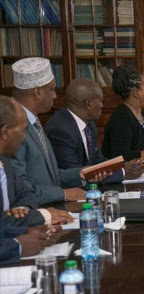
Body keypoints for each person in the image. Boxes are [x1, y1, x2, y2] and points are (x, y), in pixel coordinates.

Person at [9, 58, 106, 206]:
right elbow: (18, 186)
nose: (55, 96)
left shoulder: (34, 121)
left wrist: (81, 174)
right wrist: (63, 193)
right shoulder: (13, 126)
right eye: (52, 89)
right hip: (33, 214)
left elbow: (49, 177)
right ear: (38, 92)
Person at [0, 95, 74, 264]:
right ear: (5, 132)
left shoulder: (4, 162)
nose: (25, 137)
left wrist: (22, 213)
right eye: (23, 129)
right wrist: (18, 245)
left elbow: (26, 195)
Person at [45, 79, 144, 183]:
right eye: (100, 101)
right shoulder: (60, 130)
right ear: (88, 104)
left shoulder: (89, 124)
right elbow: (76, 176)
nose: (102, 106)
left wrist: (124, 165)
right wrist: (123, 173)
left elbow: (98, 161)